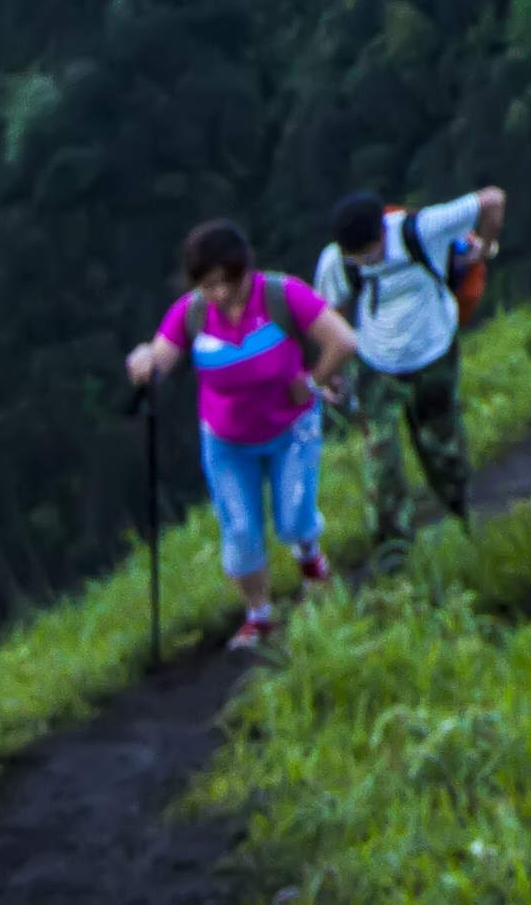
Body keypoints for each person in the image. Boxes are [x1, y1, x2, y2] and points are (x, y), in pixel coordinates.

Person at [121, 218, 360, 653]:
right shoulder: (192, 313)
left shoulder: (282, 294)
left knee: (294, 518)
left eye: (225, 282)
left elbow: (343, 340)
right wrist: (144, 361)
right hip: (226, 441)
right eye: (207, 285)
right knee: (241, 534)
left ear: (244, 269)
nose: (218, 293)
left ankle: (310, 560)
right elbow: (160, 357)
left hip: (291, 428)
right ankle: (259, 615)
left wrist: (311, 381)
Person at [313, 181, 505, 562]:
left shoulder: (423, 229)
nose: (364, 263)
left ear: (382, 231)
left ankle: (463, 517)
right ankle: (393, 550)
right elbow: (329, 311)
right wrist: (333, 370)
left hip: (433, 352)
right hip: (377, 362)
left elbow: (493, 200)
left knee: (441, 445)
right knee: (381, 457)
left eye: (368, 253)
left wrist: (484, 248)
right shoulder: (336, 261)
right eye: (355, 258)